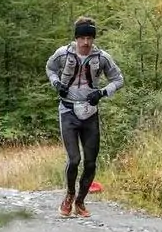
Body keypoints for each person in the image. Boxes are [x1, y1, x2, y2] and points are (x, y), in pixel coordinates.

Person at [45, 15, 124, 218]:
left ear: (93, 38)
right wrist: (56, 84)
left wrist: (102, 92)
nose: (86, 42)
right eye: (82, 38)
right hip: (68, 111)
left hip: (90, 112)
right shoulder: (63, 54)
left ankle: (80, 201)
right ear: (76, 38)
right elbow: (50, 68)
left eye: (90, 38)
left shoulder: (102, 57)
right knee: (74, 159)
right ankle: (69, 195)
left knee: (90, 162)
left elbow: (118, 79)